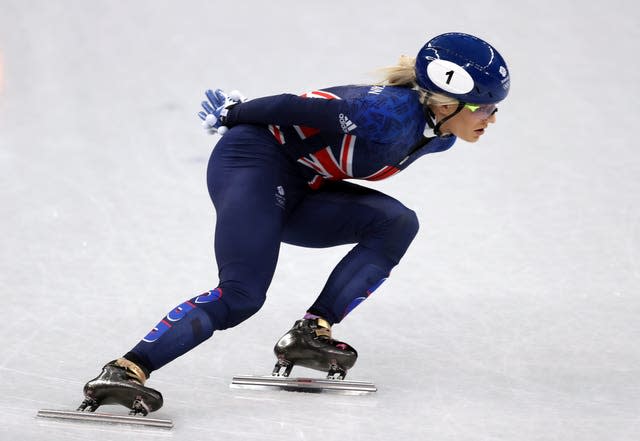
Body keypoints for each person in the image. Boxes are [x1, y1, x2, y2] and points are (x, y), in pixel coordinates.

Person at [79, 32, 510, 415]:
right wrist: (234, 113)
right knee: (243, 295)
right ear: (447, 102)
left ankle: (311, 332)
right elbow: (298, 107)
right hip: (252, 164)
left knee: (396, 223)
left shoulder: (442, 137)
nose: (491, 119)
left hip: (302, 185)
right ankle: (128, 369)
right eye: (486, 107)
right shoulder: (387, 113)